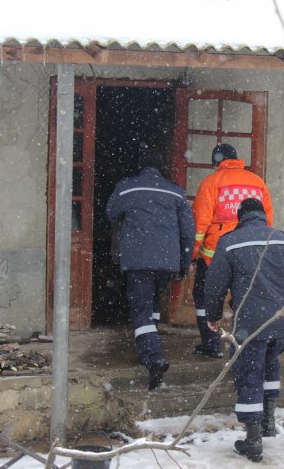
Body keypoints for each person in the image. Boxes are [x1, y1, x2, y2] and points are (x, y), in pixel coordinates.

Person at [204, 198, 284, 462]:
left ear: (240, 217)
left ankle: (253, 439)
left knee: (249, 371)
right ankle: (268, 420)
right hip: (282, 321)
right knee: (270, 361)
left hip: (249, 322)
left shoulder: (229, 241)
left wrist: (211, 317)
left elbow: (214, 286)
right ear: (264, 215)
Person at [106, 151, 195, 390]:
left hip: (138, 261)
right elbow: (188, 231)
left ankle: (153, 356)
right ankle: (150, 344)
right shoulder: (175, 191)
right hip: (167, 262)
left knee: (141, 308)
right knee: (153, 302)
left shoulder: (127, 188)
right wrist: (184, 264)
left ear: (139, 167)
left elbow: (110, 212)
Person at [191, 143, 274, 359]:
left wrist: (191, 255)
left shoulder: (211, 183)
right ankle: (241, 344)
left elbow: (199, 224)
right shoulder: (257, 182)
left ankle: (211, 345)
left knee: (206, 296)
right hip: (250, 253)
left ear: (216, 162)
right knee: (243, 298)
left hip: (215, 254)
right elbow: (268, 220)